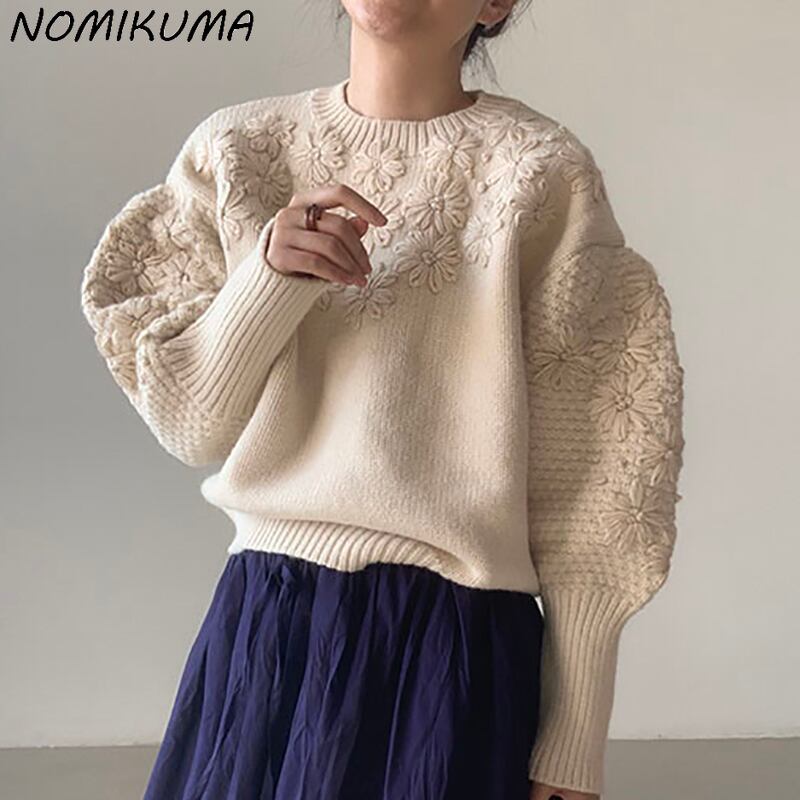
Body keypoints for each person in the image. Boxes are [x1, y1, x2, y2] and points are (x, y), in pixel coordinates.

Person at [78, 2, 685, 799]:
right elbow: (189, 423)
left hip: (454, 643)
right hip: (268, 624)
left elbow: (601, 478)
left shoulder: (542, 173)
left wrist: (575, 733)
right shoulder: (238, 151)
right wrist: (270, 279)